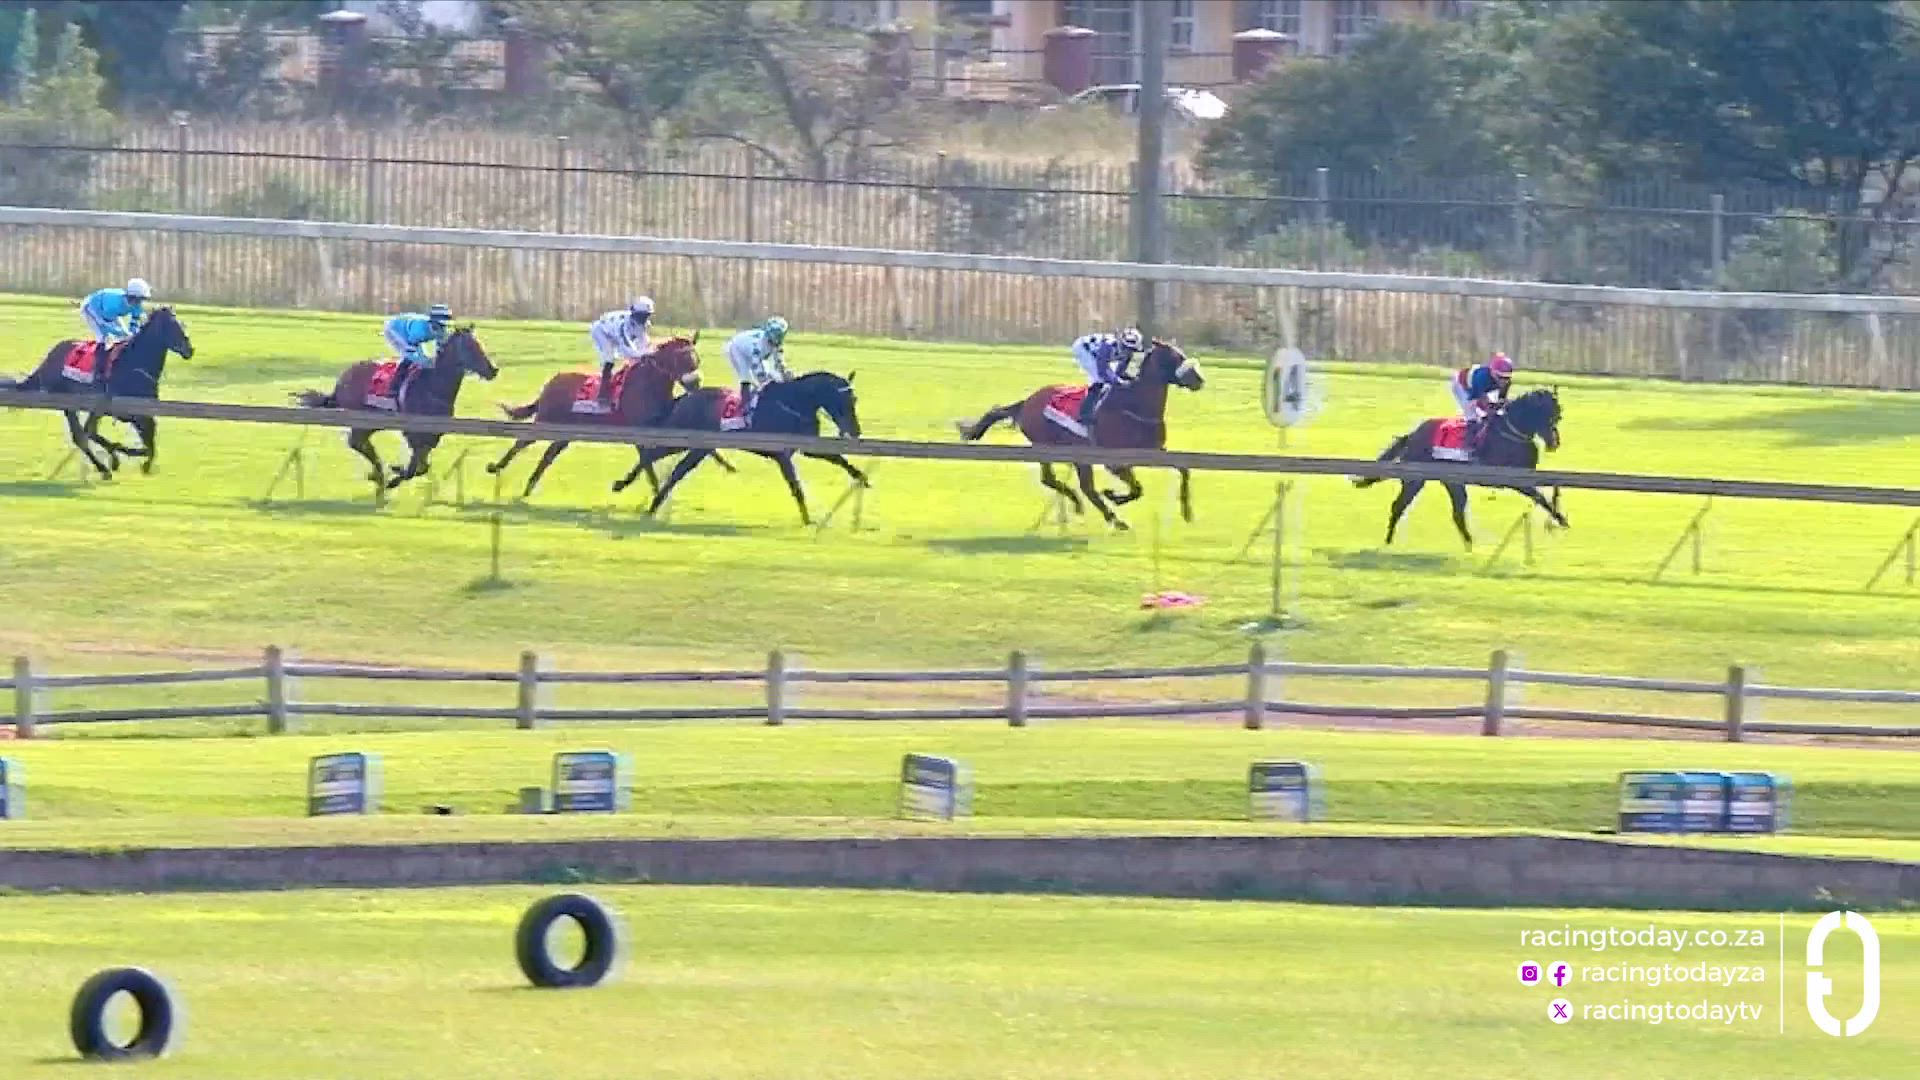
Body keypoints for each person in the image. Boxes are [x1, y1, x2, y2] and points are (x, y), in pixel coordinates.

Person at [79, 278, 152, 384]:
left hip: (109, 313)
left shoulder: (136, 305)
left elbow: (135, 320)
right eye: (140, 299)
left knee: (126, 337)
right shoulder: (113, 305)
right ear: (132, 297)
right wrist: (122, 333)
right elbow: (105, 326)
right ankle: (98, 371)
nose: (140, 302)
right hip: (92, 309)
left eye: (142, 299)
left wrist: (133, 333)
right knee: (104, 339)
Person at [1070, 326, 1144, 430]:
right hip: (1082, 348)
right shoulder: (1108, 346)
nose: (1127, 352)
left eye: (1131, 350)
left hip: (1097, 354)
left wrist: (1122, 380)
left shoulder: (1128, 354)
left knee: (1110, 380)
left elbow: (1119, 372)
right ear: (1120, 343)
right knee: (1098, 381)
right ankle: (1084, 415)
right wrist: (1118, 381)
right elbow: (1102, 370)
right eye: (1125, 348)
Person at [587, 296, 655, 409]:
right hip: (601, 331)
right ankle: (602, 395)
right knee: (609, 358)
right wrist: (644, 354)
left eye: (647, 316)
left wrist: (650, 351)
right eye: (642, 316)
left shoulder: (642, 324)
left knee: (640, 356)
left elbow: (644, 342)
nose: (644, 319)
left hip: (613, 332)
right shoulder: (623, 325)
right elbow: (627, 349)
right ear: (635, 314)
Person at [382, 303, 453, 409]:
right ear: (433, 322)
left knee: (425, 361)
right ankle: (392, 388)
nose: (442, 328)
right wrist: (425, 361)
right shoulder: (420, 330)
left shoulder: (442, 331)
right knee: (409, 358)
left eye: (443, 326)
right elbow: (412, 351)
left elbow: (440, 349)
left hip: (409, 328)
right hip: (394, 330)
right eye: (440, 325)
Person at [724, 316, 793, 422]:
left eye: (781, 335)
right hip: (737, 349)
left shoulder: (776, 342)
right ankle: (744, 408)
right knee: (747, 379)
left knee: (771, 376)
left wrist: (784, 374)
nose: (779, 339)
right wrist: (766, 384)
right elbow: (758, 370)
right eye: (778, 336)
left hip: (754, 354)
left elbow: (779, 362)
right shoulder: (757, 345)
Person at [1452, 351, 1515, 451]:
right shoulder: (1481, 378)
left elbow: (1502, 400)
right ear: (1492, 372)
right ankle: (1467, 446)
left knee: (1496, 412)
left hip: (1481, 388)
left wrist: (1503, 407)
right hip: (1461, 384)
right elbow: (1479, 401)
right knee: (1472, 416)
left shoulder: (1506, 382)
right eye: (1500, 377)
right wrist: (1490, 411)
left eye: (1507, 378)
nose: (1503, 381)